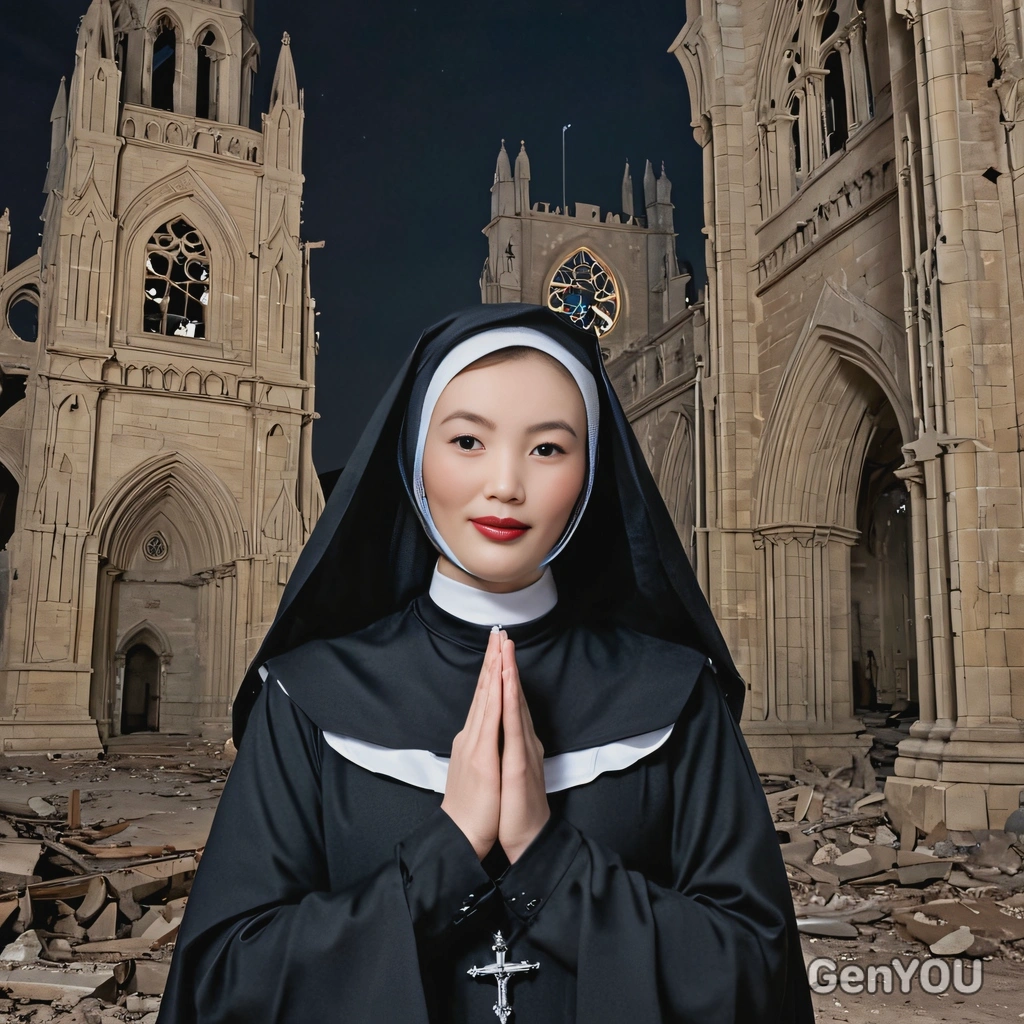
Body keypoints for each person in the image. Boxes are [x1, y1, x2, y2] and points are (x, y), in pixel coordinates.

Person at [156, 303, 814, 1023]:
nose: (506, 483)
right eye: (468, 440)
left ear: (592, 473)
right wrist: (445, 854)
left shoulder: (676, 695)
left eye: (548, 449)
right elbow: (224, 982)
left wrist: (550, 859)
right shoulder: (309, 698)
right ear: (414, 457)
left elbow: (755, 973)